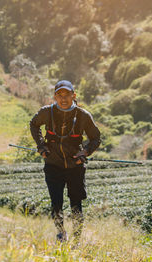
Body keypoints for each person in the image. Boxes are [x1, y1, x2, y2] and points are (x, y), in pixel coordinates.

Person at [30, 80, 101, 243]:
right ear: (55, 96)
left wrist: (85, 151)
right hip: (53, 165)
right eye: (59, 95)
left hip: (75, 167)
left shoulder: (83, 116)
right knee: (56, 204)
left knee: (76, 205)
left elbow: (96, 138)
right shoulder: (46, 112)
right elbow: (34, 125)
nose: (63, 99)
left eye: (67, 95)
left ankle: (77, 239)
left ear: (73, 96)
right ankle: (61, 235)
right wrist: (41, 145)